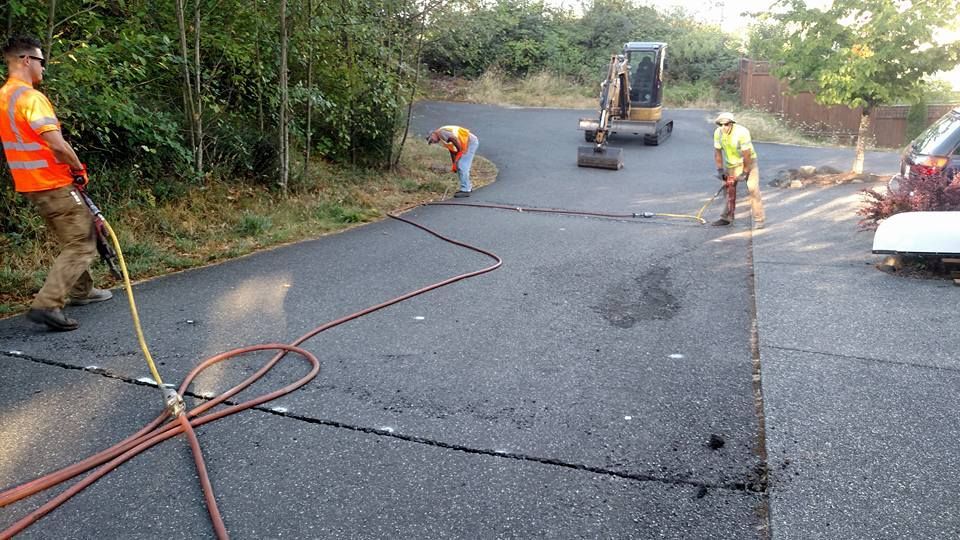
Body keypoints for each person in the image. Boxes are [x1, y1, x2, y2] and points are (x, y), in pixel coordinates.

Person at [1, 35, 112, 331]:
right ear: (26, 60)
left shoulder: (4, 97)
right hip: (52, 181)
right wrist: (78, 168)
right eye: (41, 61)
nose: (43, 68)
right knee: (82, 243)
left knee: (76, 234)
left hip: (31, 184)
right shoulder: (30, 98)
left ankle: (82, 290)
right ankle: (48, 304)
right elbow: (57, 144)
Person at [712, 111, 765, 228]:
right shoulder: (718, 133)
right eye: (720, 125)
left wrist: (745, 172)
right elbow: (717, 153)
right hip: (731, 164)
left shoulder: (742, 132)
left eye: (726, 124)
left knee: (753, 189)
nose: (723, 127)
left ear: (732, 123)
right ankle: (726, 218)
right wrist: (720, 170)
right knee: (728, 190)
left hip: (748, 162)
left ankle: (759, 220)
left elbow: (747, 154)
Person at [427, 125, 478, 198]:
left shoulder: (441, 132)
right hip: (465, 144)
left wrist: (459, 153)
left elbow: (454, 139)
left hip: (469, 142)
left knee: (462, 165)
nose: (433, 142)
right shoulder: (442, 138)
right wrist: (454, 164)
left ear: (433, 134)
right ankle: (467, 186)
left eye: (431, 140)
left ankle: (465, 190)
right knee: (459, 166)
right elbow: (452, 150)